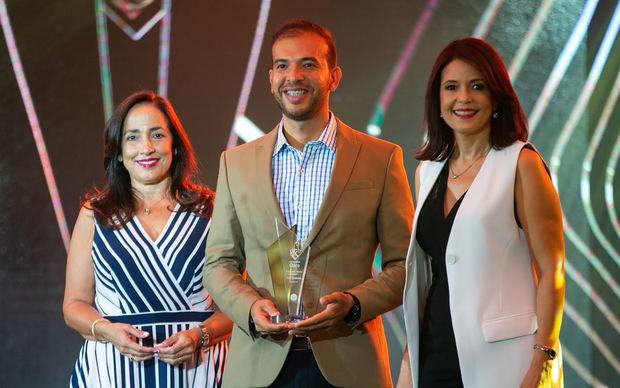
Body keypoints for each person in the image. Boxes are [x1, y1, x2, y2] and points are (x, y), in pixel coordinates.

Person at [203, 19, 414, 387]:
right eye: (282, 65)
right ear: (270, 77)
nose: (293, 76)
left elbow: (404, 265)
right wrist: (251, 308)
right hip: (259, 365)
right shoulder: (235, 163)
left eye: (308, 64)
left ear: (333, 76)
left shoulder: (380, 159)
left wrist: (354, 303)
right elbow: (219, 263)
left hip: (348, 361)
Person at [397, 38, 565, 388]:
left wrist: (543, 360)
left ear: (496, 97)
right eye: (452, 87)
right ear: (437, 100)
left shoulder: (522, 164)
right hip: (434, 353)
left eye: (477, 86)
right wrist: (409, 359)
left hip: (506, 360)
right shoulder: (426, 172)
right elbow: (431, 275)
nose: (464, 98)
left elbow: (552, 270)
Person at [63, 91, 232, 388]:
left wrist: (199, 336)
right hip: (112, 373)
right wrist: (107, 330)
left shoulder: (211, 210)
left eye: (157, 134)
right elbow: (74, 305)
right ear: (117, 151)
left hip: (200, 371)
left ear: (175, 145)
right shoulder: (95, 215)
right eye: (132, 137)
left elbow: (236, 304)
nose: (147, 147)